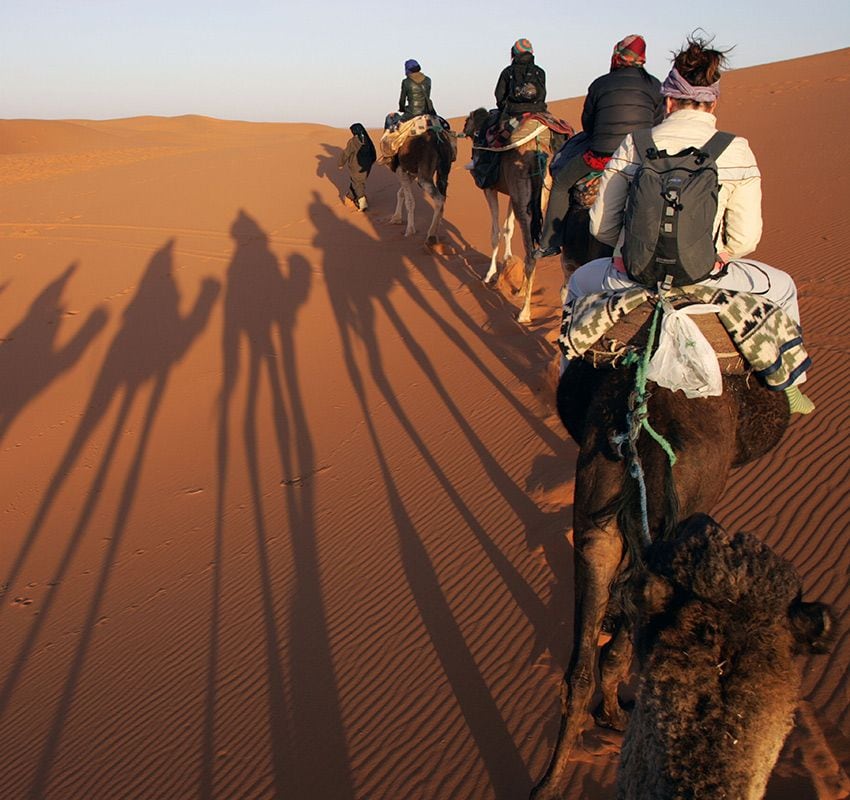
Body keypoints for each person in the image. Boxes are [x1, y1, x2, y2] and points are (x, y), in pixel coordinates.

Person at [568, 33, 814, 413]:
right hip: (706, 278)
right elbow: (746, 238)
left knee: (576, 282)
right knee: (783, 288)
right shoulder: (736, 148)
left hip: (632, 277)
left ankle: (572, 378)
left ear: (668, 99)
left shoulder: (635, 143)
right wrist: (721, 254)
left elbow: (600, 225)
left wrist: (623, 253)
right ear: (713, 101)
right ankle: (791, 385)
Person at [535, 34, 663, 258]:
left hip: (600, 156)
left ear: (617, 56)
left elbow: (588, 123)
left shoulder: (600, 83)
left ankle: (550, 242)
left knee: (562, 182)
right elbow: (658, 124)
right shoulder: (654, 85)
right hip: (640, 157)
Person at [494, 39, 547, 117]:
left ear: (514, 52)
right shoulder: (540, 72)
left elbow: (499, 95)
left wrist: (505, 107)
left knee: (489, 125)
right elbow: (542, 94)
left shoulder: (507, 72)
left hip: (513, 111)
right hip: (538, 110)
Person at [338, 123, 376, 211]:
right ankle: (350, 196)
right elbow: (373, 151)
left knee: (357, 183)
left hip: (356, 166)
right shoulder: (367, 140)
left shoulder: (353, 141)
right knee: (357, 182)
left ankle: (363, 204)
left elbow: (346, 153)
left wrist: (340, 163)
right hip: (366, 166)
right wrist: (371, 161)